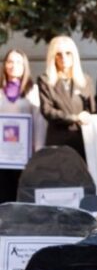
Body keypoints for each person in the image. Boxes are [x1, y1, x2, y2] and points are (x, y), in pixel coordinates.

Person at [37, 36, 97, 159]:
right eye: (58, 54)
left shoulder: (85, 80)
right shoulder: (45, 80)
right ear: (52, 57)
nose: (63, 58)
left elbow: (92, 108)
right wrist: (74, 118)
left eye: (68, 53)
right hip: (58, 141)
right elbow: (47, 110)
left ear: (74, 55)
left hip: (83, 142)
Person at [0, 49, 45, 202]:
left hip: (25, 154)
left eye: (18, 62)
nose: (13, 65)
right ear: (5, 65)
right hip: (3, 156)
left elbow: (39, 121)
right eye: (10, 62)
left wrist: (38, 150)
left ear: (25, 66)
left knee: (22, 194)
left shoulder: (32, 91)